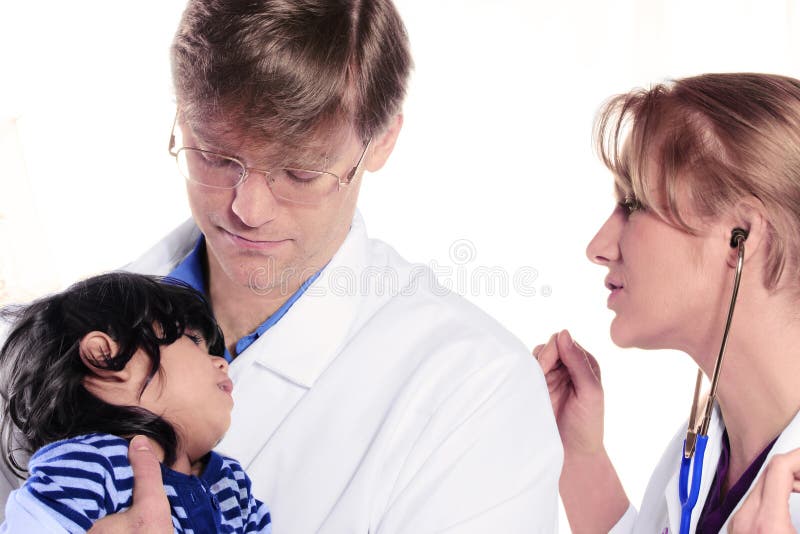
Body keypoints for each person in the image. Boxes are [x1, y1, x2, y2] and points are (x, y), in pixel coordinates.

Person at [25, 1, 560, 532]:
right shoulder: (42, 348)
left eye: (300, 172)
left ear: (382, 140)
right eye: (214, 155)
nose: (247, 210)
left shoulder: (475, 394)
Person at [537, 72, 800, 533]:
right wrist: (580, 460)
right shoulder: (704, 449)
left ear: (740, 240)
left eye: (634, 204)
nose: (598, 247)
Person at [0, 272, 271, 532]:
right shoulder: (91, 467)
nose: (221, 362)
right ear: (105, 357)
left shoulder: (231, 484)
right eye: (191, 339)